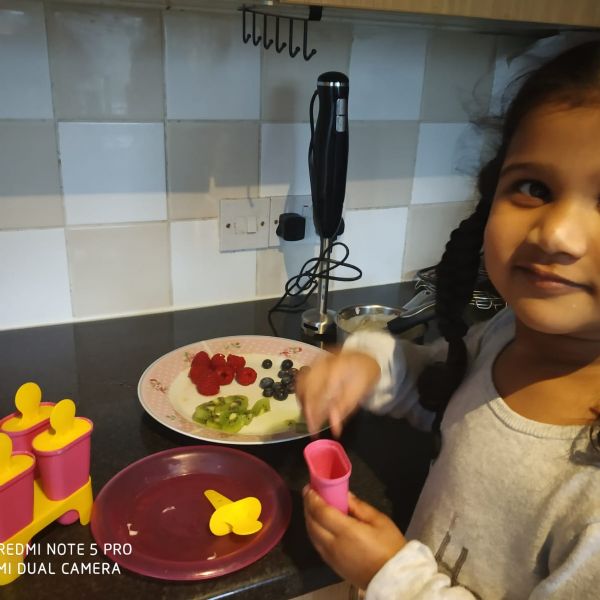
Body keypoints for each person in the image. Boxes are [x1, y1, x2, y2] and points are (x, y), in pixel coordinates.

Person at [297, 39, 600, 598]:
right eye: (534, 188)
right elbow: (438, 382)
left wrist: (389, 578)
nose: (555, 233)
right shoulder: (506, 336)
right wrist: (364, 366)